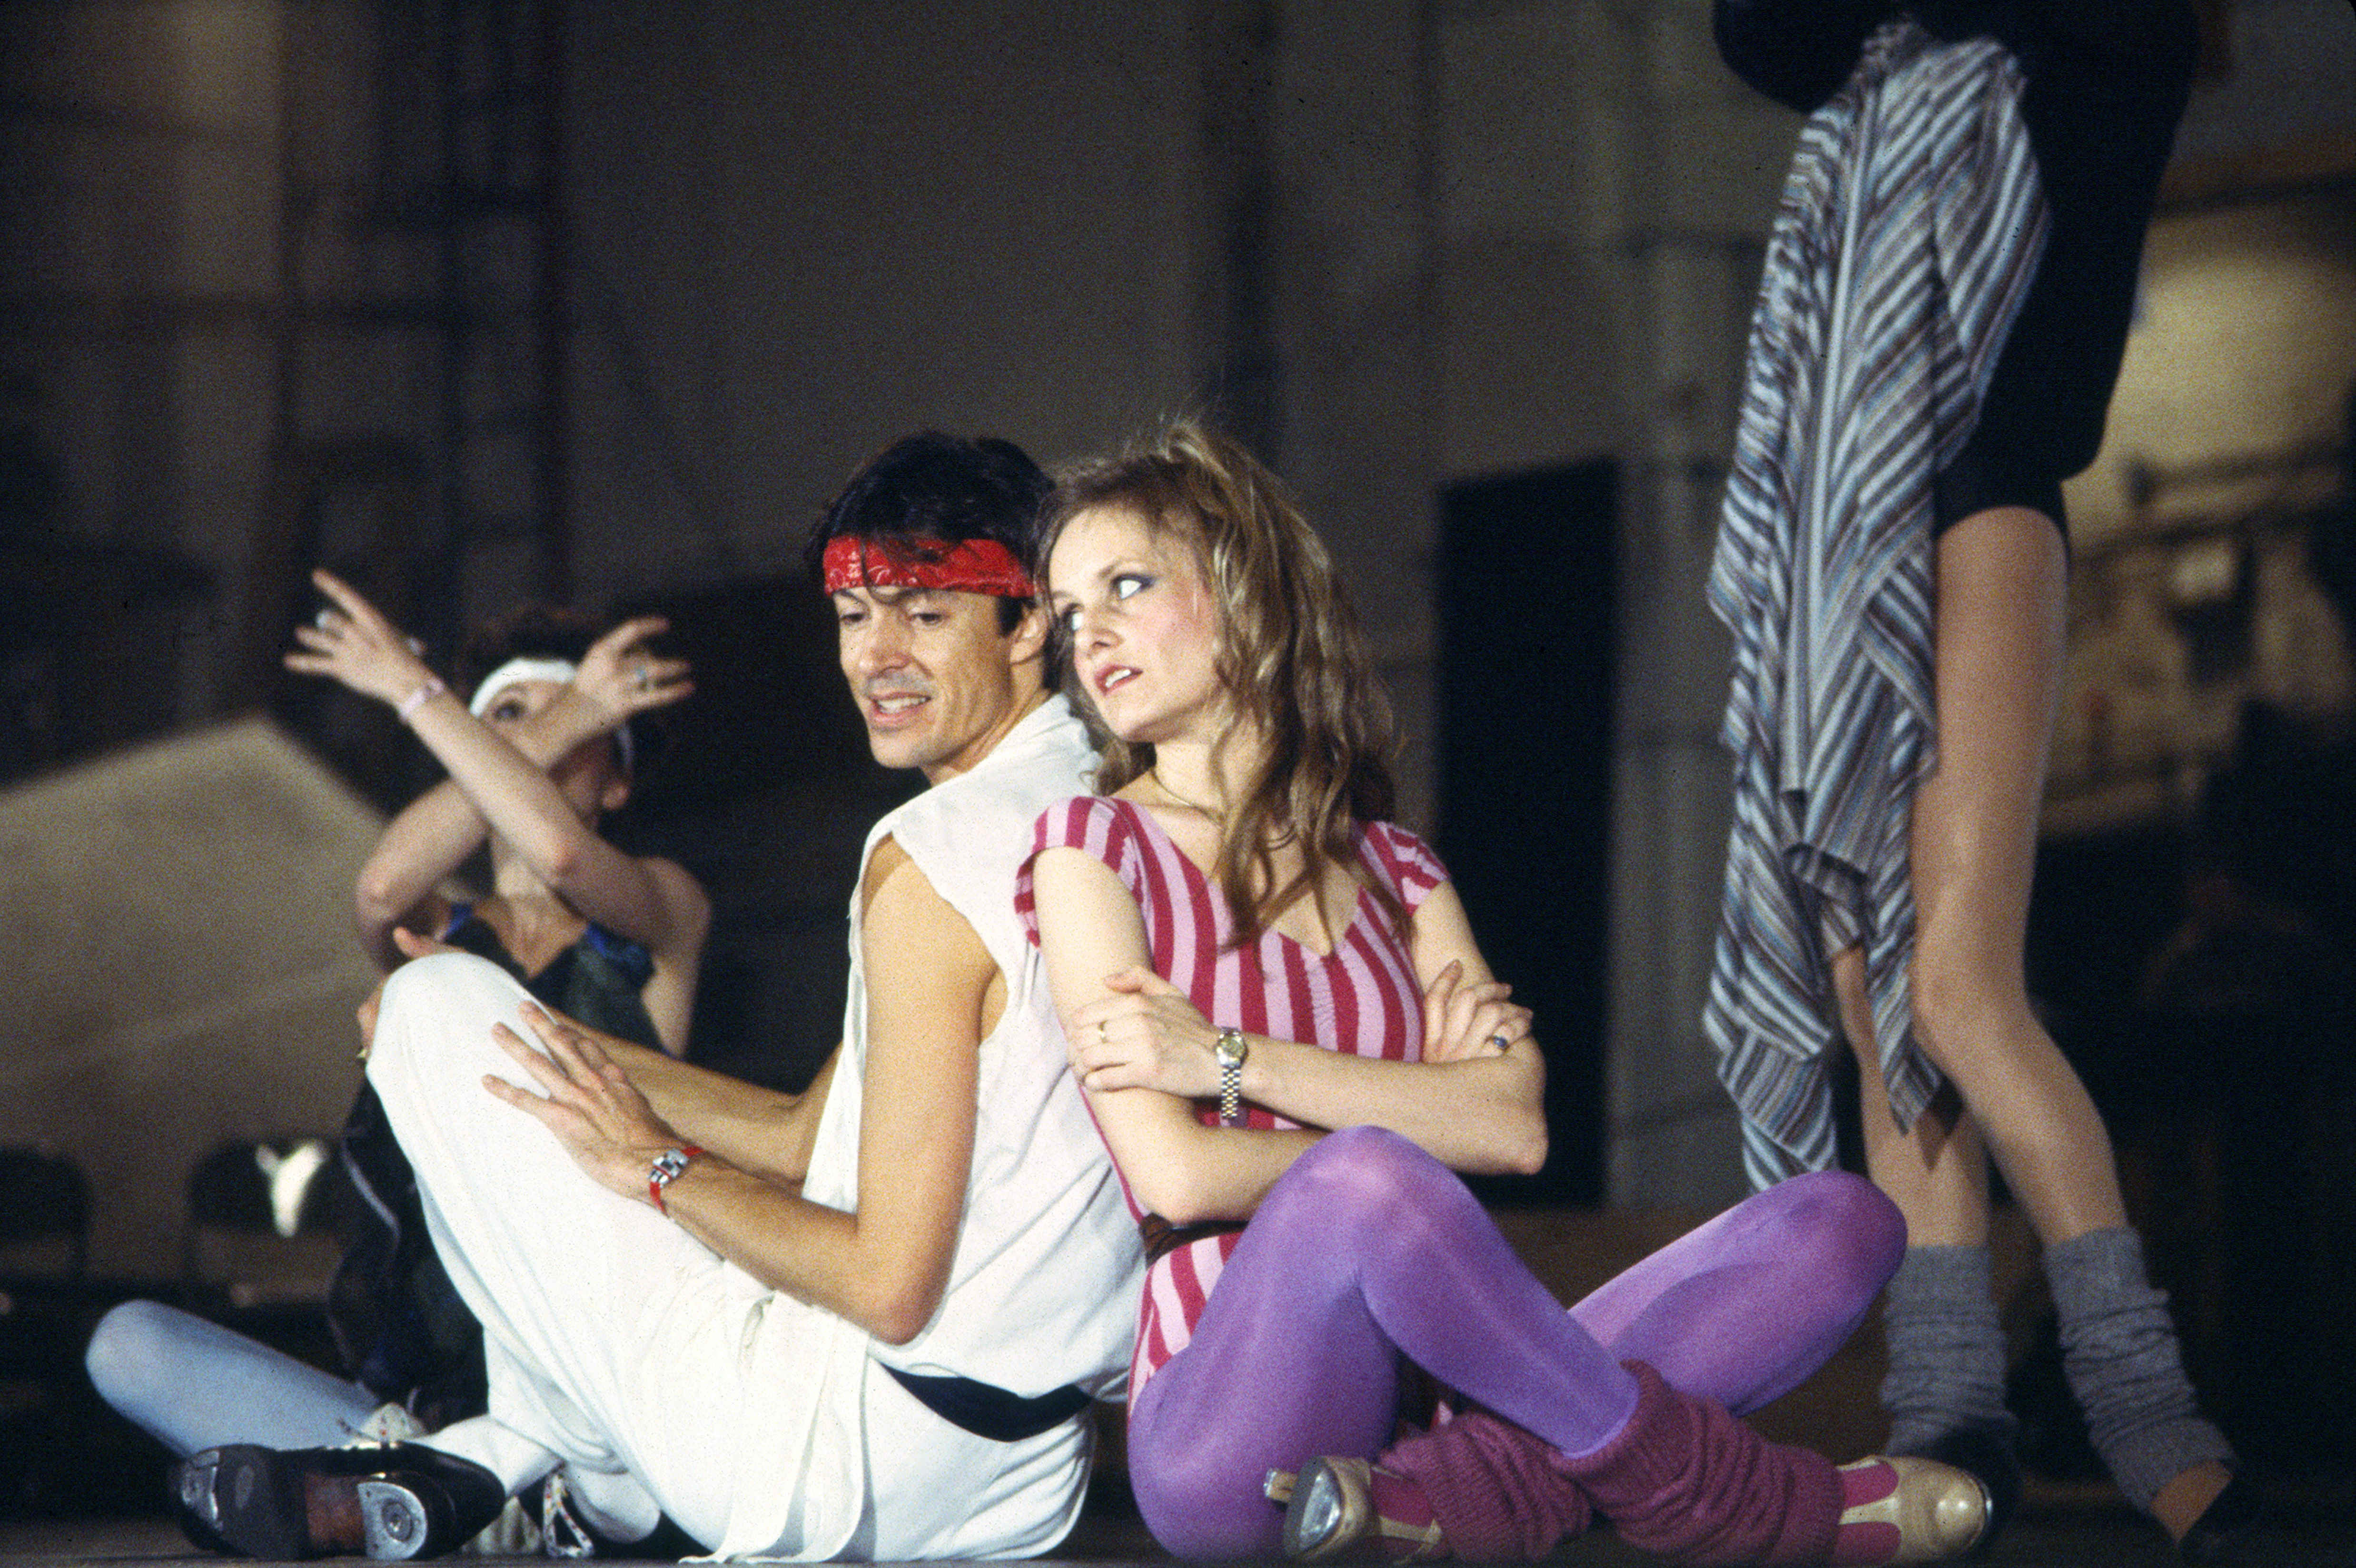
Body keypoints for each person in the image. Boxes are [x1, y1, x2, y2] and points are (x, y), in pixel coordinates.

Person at [1020, 421, 1990, 1564]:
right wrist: (1412, 1141)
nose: (1095, 635)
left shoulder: (1396, 867)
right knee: (1364, 1178)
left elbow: (1517, 1128)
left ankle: (1455, 1498)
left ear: (1246, 592)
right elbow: (1176, 1170)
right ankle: (1713, 1496)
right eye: (1074, 614)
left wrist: (1224, 1061)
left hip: (1439, 1407)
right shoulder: (1090, 847)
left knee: (1843, 1222)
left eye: (1128, 585)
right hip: (1225, 1433)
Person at [166, 433, 1142, 1561]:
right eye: (852, 616)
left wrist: (657, 1166)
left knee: (430, 1006)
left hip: (839, 1462)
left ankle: (556, 1476)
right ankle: (495, 1470)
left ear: (1027, 624)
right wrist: (556, 1058)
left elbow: (886, 1288)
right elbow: (806, 1134)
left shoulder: (928, 858)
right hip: (1016, 1486)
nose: (877, 656)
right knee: (467, 1030)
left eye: (924, 614)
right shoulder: (1090, 804)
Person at [1702, 2, 2246, 1558]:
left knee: (1959, 992)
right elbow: (1765, 34)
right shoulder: (1872, 54)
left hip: (1974, 497)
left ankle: (2153, 1419)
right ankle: (1950, 1424)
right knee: (1878, 1002)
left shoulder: (2098, 40)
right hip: (1837, 526)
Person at [86, 584, 707, 1484]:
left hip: (616, 1392)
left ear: (617, 779)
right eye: (502, 722)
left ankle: (526, 1494)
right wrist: (561, 710)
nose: (540, 739)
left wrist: (425, 694)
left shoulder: (666, 906)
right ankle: (458, 1489)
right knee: (129, 1346)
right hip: (453, 1401)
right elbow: (380, 888)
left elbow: (564, 854)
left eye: (578, 732)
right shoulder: (437, 929)